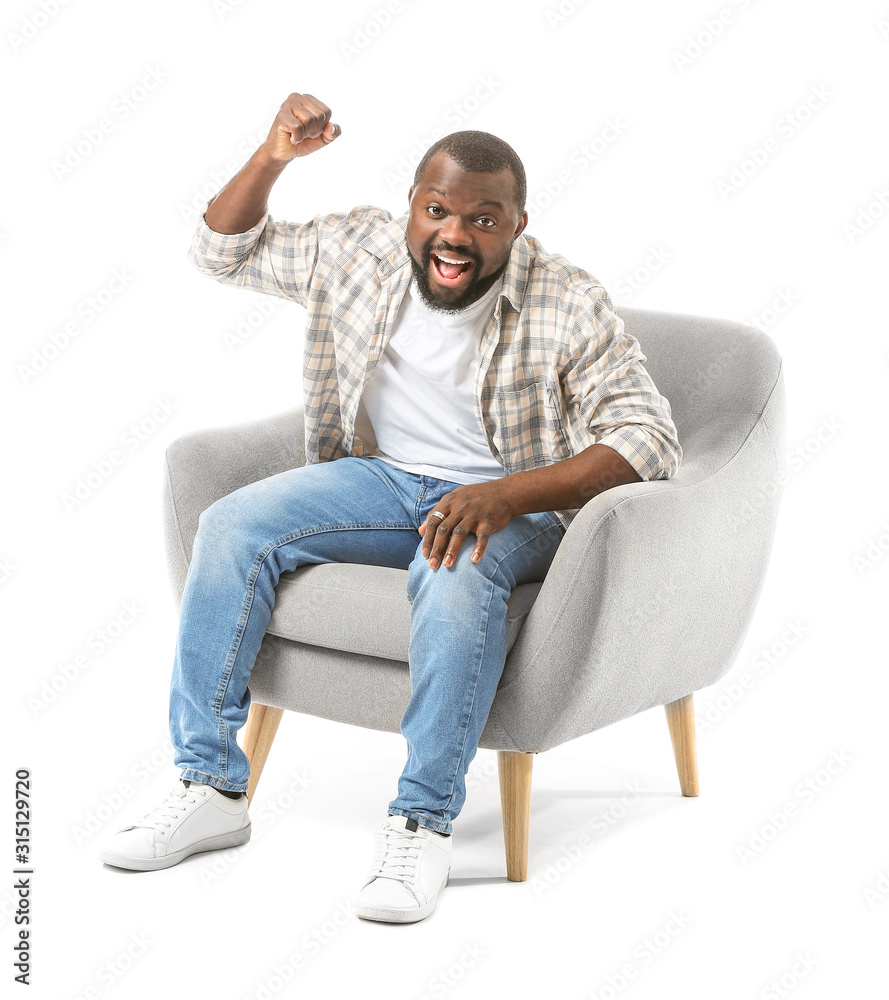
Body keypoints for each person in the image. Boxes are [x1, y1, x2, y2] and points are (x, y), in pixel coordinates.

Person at [98, 92, 682, 923]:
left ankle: (421, 822)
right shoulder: (356, 249)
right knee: (230, 525)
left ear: (516, 227)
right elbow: (220, 251)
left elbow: (647, 437)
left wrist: (503, 494)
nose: (454, 235)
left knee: (452, 573)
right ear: (411, 205)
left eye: (483, 220)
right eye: (438, 211)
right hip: (384, 479)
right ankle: (210, 786)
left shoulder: (565, 298)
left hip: (514, 501)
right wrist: (272, 158)